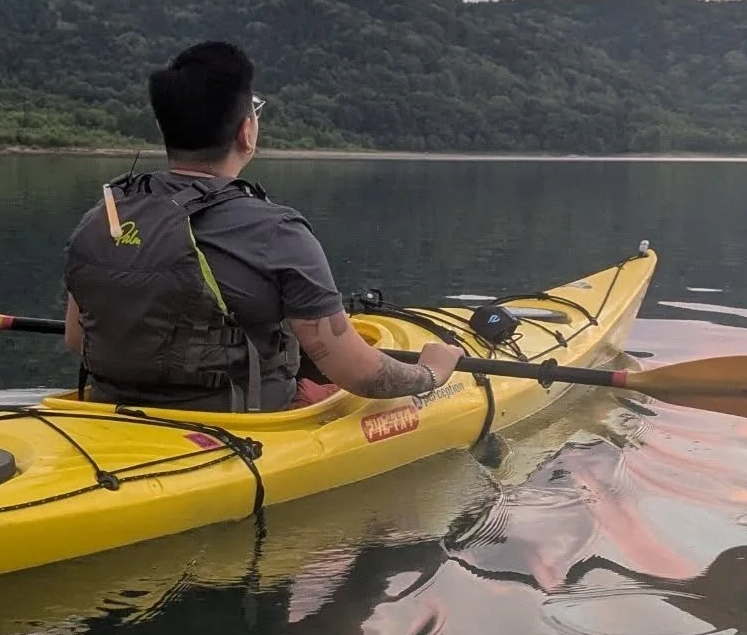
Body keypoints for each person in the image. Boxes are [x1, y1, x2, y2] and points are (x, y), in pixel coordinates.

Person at [62, 41, 463, 411]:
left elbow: (78, 340)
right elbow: (357, 372)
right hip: (244, 424)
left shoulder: (107, 215)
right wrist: (431, 373)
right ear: (246, 131)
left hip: (111, 415)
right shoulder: (276, 231)